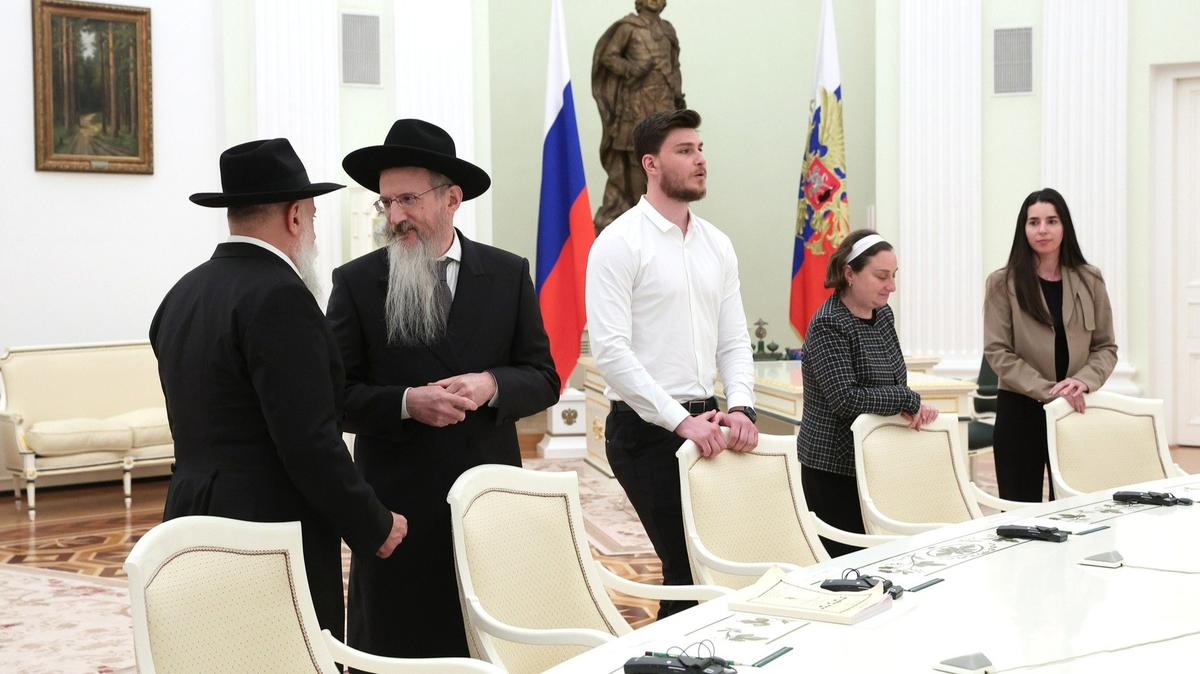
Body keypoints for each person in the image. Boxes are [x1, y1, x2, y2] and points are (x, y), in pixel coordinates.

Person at [150, 138, 408, 641]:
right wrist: (373, 523)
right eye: (312, 217)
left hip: (187, 520)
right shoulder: (281, 298)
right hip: (265, 536)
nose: (312, 231)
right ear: (294, 216)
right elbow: (308, 440)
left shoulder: (182, 293)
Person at [330, 118, 560, 659]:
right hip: (398, 514)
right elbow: (333, 396)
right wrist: (407, 403)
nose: (395, 216)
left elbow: (544, 377)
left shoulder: (507, 274)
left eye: (407, 199)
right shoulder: (357, 283)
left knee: (487, 648)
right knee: (400, 652)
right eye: (386, 202)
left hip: (486, 505)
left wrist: (491, 383)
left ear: (452, 198)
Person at [586, 109, 758, 620]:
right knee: (685, 570)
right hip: (646, 431)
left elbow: (734, 339)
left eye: (700, 148)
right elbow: (611, 351)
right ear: (651, 164)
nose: (700, 159)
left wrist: (742, 406)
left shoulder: (717, 244)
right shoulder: (618, 243)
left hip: (711, 421)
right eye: (685, 151)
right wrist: (680, 421)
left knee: (716, 567)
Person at [797, 230, 938, 557]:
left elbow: (895, 380)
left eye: (894, 276)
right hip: (833, 468)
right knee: (845, 565)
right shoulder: (829, 323)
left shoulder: (883, 314)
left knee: (883, 559)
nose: (891, 286)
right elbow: (846, 400)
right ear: (850, 274)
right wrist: (906, 400)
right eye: (881, 276)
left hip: (877, 460)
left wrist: (906, 402)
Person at [984, 188, 1117, 502]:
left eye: (1051, 221)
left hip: (1074, 410)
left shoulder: (1091, 280)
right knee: (1019, 511)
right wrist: (1049, 390)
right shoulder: (1001, 283)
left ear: (1064, 226)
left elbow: (1105, 347)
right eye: (1034, 222)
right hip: (1019, 411)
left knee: (1075, 509)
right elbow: (997, 351)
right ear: (1024, 229)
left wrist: (1082, 381)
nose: (1042, 229)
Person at [591, 0, 685, 232]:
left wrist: (677, 96)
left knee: (664, 158)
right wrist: (631, 69)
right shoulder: (628, 27)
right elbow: (608, 56)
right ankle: (638, 208)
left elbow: (675, 66)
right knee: (636, 157)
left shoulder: (668, 30)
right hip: (636, 103)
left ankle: (660, 210)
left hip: (665, 104)